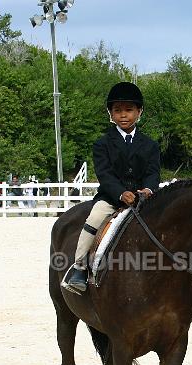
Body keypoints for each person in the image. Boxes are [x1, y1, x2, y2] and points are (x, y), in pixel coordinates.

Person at [61, 81, 161, 293]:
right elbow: (104, 174)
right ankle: (79, 267)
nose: (123, 115)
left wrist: (148, 190)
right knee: (95, 218)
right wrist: (120, 192)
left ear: (139, 111)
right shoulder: (102, 144)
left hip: (144, 199)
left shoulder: (150, 145)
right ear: (111, 113)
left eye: (129, 110)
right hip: (111, 198)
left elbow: (153, 173)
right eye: (118, 111)